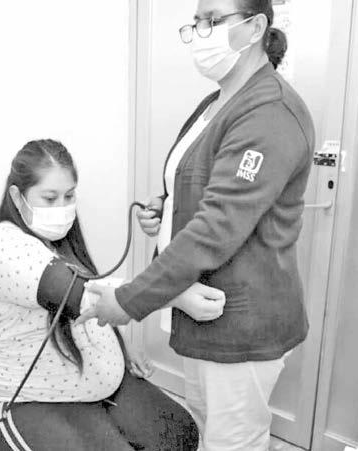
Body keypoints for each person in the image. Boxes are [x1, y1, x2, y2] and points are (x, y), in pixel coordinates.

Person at [77, 1, 315, 450]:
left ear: (255, 27)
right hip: (202, 311)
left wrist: (127, 302)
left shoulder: (270, 113)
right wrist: (165, 207)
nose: (201, 32)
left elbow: (216, 227)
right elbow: (200, 180)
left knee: (234, 440)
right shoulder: (217, 102)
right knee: (207, 427)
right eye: (198, 22)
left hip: (242, 321)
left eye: (213, 20)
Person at [0, 139, 212, 450]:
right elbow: (82, 296)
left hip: (90, 383)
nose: (62, 208)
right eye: (50, 198)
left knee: (180, 435)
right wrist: (175, 294)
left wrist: (120, 347)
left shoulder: (58, 239)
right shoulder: (5, 247)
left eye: (69, 196)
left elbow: (96, 300)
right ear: (17, 197)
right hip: (31, 396)